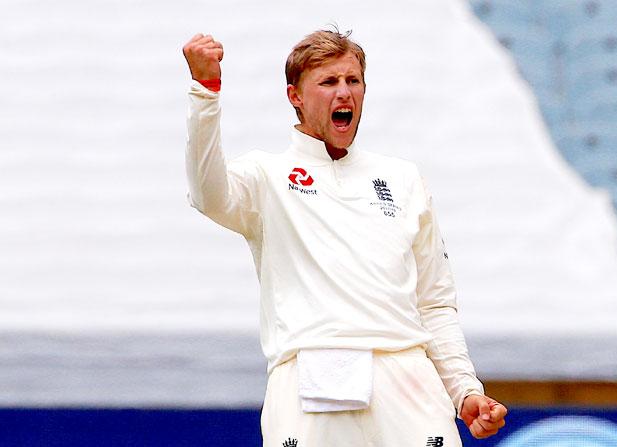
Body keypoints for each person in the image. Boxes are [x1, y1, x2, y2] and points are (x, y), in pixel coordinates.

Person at [182, 28, 507, 446]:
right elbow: (206, 193)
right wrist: (204, 91)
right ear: (295, 96)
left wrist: (465, 390)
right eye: (328, 82)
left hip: (406, 380)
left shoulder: (402, 178)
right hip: (309, 381)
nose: (344, 94)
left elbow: (435, 302)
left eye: (353, 81)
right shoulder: (267, 176)